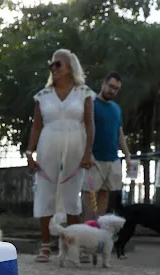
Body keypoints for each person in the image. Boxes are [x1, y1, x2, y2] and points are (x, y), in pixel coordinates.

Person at [26, 49, 95, 262]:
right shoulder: (43, 96)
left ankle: (76, 245)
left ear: (70, 68)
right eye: (52, 65)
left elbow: (90, 125)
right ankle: (46, 245)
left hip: (76, 148)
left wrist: (87, 153)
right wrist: (30, 153)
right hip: (48, 147)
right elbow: (36, 126)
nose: (54, 69)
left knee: (72, 197)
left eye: (58, 65)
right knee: (45, 194)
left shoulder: (84, 93)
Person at [82, 72, 131, 219]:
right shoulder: (91, 104)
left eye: (116, 88)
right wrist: (87, 153)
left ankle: (97, 235)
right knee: (89, 198)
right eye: (111, 86)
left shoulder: (116, 108)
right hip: (94, 160)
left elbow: (120, 134)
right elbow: (84, 131)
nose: (113, 90)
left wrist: (127, 155)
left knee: (104, 196)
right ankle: (87, 234)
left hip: (112, 159)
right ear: (104, 84)